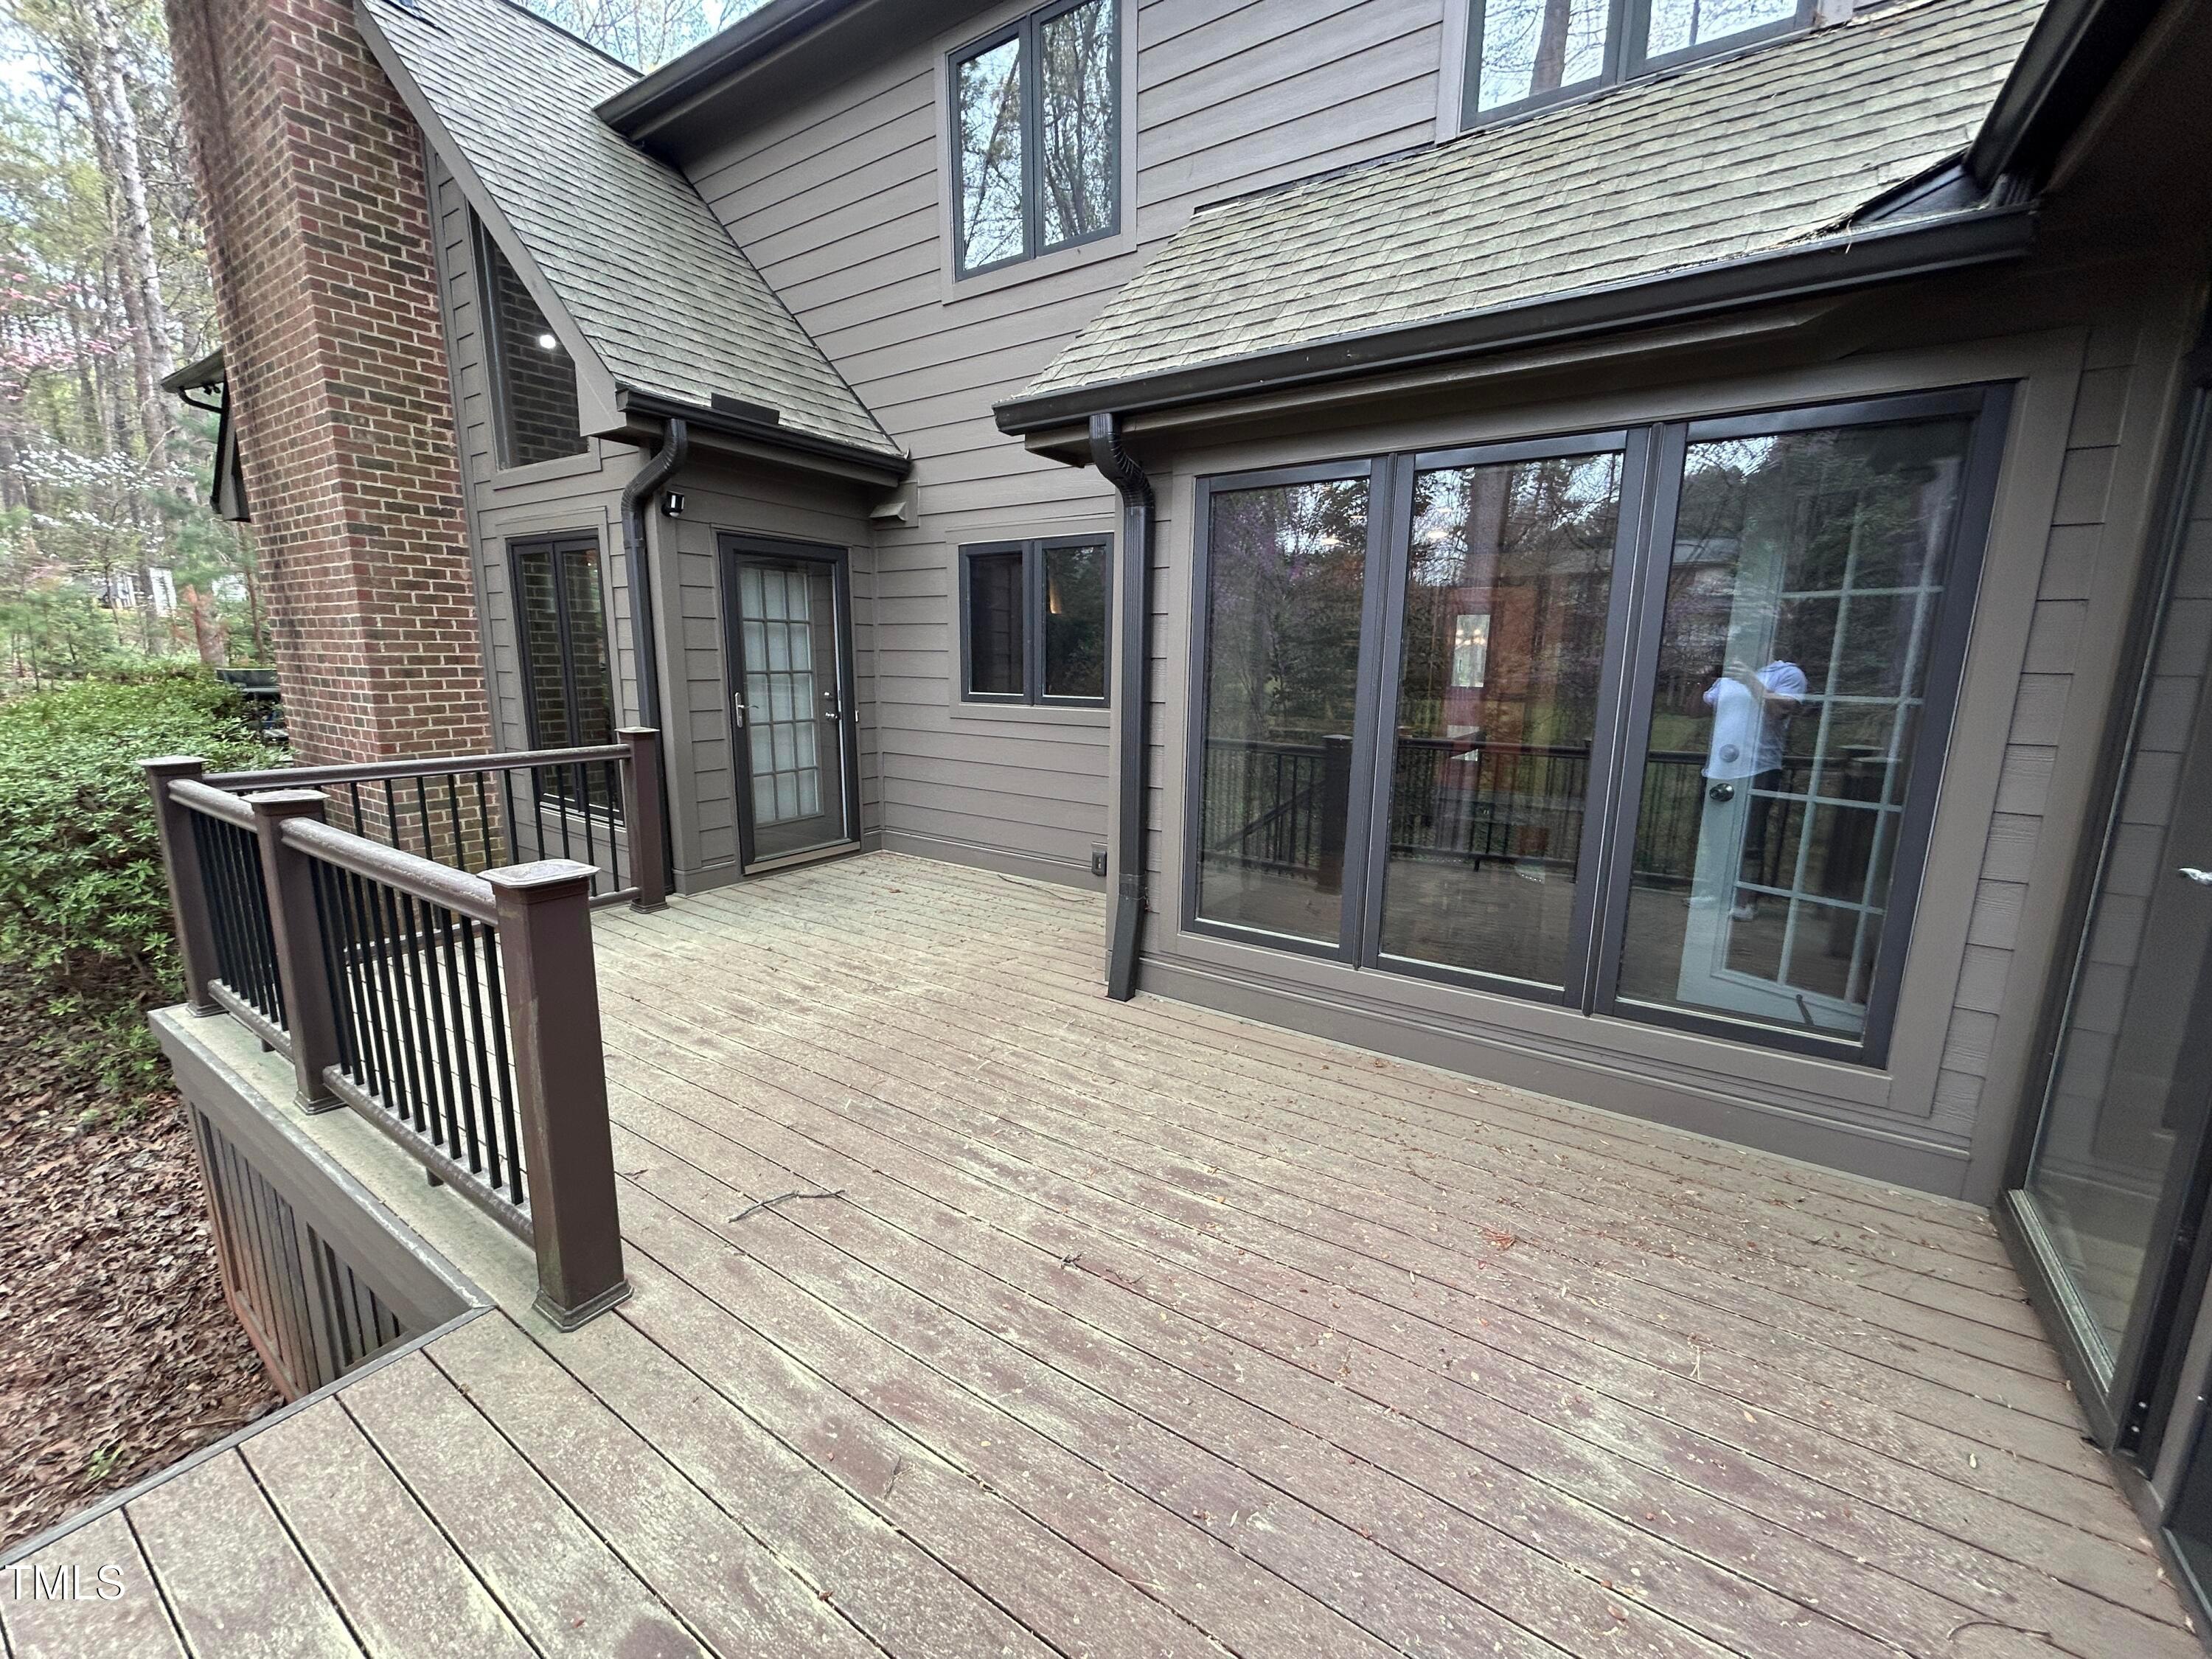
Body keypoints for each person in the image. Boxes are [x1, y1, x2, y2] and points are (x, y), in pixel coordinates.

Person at [1702, 655, 1806, 921]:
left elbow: (1779, 712)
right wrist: (1701, 679)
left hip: (1757, 769)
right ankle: (1716, 894)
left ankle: (1746, 902)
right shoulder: (1728, 675)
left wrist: (1750, 679)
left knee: (1751, 840)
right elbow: (1695, 712)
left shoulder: (1786, 673)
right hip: (1718, 770)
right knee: (1717, 837)